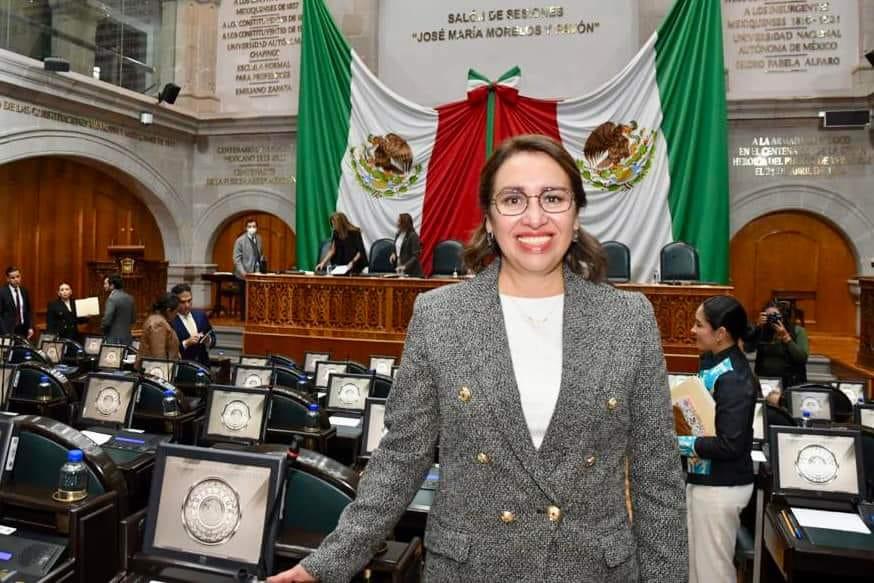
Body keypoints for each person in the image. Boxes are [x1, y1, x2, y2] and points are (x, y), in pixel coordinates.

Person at [269, 135, 687, 583]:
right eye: (513, 199)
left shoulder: (629, 319)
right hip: (469, 570)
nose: (534, 217)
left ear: (576, 213)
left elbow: (657, 476)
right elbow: (401, 456)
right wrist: (327, 564)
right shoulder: (439, 315)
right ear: (489, 218)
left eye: (552, 198)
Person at [681, 295, 757, 583]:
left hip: (722, 485)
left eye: (699, 324)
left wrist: (677, 442)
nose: (692, 330)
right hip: (704, 480)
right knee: (696, 569)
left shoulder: (734, 378)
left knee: (713, 572)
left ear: (721, 333)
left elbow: (730, 444)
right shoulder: (713, 361)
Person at [743, 300, 808, 404]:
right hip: (765, 383)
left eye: (775, 316)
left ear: (783, 316)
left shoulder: (797, 331)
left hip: (790, 382)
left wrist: (786, 337)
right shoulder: (762, 331)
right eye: (768, 316)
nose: (772, 319)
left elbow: (802, 358)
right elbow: (748, 349)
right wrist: (757, 328)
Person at [171, 283, 214, 366]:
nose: (187, 305)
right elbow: (169, 349)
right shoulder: (171, 321)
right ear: (175, 302)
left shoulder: (200, 315)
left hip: (203, 365)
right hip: (183, 366)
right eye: (182, 302)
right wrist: (186, 343)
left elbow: (212, 336)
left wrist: (208, 340)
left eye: (189, 301)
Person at [135, 293, 181, 368]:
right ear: (168, 310)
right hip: (156, 371)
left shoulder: (157, 319)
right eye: (176, 312)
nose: (176, 315)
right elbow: (159, 357)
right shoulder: (158, 324)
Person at [232, 217, 264, 319]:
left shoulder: (259, 239)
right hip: (243, 274)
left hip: (256, 273)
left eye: (254, 226)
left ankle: (254, 316)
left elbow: (260, 254)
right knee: (245, 297)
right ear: (246, 228)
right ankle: (244, 318)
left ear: (257, 227)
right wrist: (244, 273)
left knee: (256, 297)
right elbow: (236, 259)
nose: (252, 228)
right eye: (250, 226)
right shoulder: (240, 241)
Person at [102, 274, 136, 345]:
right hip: (127, 337)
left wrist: (103, 328)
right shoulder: (130, 298)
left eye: (106, 284)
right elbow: (133, 319)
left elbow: (107, 319)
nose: (104, 286)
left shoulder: (112, 298)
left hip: (113, 338)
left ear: (112, 285)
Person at [0, 266, 33, 339]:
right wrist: (5, 333)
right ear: (8, 279)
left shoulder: (24, 291)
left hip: (23, 329)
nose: (16, 279)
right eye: (13, 278)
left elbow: (28, 311)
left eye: (18, 276)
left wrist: (30, 327)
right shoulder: (2, 292)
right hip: (8, 330)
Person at [389, 212, 423, 277]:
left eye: (399, 221)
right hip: (399, 266)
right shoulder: (398, 234)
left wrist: (405, 266)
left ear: (404, 223)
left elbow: (415, 256)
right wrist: (393, 253)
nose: (397, 223)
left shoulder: (413, 236)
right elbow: (396, 246)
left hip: (412, 271)